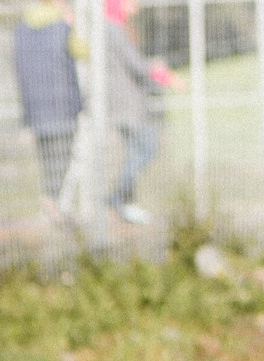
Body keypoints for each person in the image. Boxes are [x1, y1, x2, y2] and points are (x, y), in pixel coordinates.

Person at [83, 0, 171, 226]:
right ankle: (118, 196)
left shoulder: (111, 28)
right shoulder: (112, 29)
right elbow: (137, 66)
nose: (136, 6)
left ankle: (126, 203)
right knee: (147, 147)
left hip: (124, 104)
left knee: (136, 151)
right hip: (126, 105)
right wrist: (161, 74)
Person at [13, 0, 81, 217]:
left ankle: (51, 203)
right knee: (62, 159)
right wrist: (73, 24)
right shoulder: (62, 26)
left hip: (34, 105)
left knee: (47, 159)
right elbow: (83, 51)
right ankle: (53, 202)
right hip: (63, 104)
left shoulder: (22, 29)